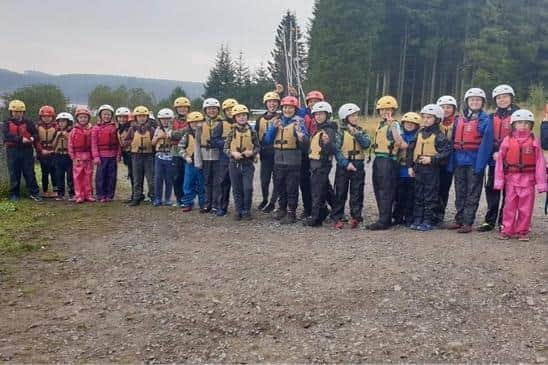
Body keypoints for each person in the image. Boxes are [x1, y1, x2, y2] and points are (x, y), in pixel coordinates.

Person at [494, 109, 547, 240]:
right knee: (509, 206)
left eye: (526, 123)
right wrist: (499, 181)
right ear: (513, 125)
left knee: (526, 207)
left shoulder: (534, 141)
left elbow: (540, 163)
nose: (523, 126)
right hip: (511, 179)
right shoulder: (507, 141)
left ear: (531, 125)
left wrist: (541, 183)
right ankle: (507, 230)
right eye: (519, 123)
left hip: (528, 180)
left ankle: (523, 231)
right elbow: (500, 162)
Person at [446, 88, 493, 233]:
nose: (475, 102)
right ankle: (459, 219)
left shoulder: (485, 120)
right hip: (459, 160)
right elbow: (453, 141)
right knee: (460, 191)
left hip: (474, 162)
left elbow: (486, 144)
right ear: (467, 102)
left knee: (472, 192)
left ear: (482, 102)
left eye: (478, 100)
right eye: (472, 100)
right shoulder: (459, 119)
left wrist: (480, 165)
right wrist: (451, 162)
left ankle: (468, 222)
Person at [478, 84, 519, 232]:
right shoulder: (490, 117)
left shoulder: (519, 115)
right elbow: (488, 138)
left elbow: (521, 137)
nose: (502, 100)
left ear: (511, 98)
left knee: (509, 191)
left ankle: (505, 221)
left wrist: (503, 152)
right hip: (495, 159)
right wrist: (493, 152)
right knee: (492, 188)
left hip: (511, 160)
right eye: (499, 98)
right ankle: (489, 221)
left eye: (505, 97)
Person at [263, 96, 309, 224]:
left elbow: (306, 141)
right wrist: (273, 128)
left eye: (290, 108)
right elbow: (267, 140)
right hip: (278, 160)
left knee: (292, 187)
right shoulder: (277, 121)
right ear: (282, 108)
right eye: (285, 107)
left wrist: (301, 137)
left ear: (295, 109)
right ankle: (282, 208)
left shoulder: (298, 122)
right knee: (279, 185)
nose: (287, 110)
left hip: (293, 161)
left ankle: (291, 212)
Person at [407, 104, 451, 231]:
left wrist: (431, 159)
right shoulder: (419, 133)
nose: (426, 120)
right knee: (418, 194)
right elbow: (411, 150)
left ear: (437, 119)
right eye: (424, 117)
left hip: (432, 170)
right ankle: (417, 219)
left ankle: (428, 220)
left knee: (430, 195)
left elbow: (446, 153)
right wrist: (410, 166)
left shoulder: (440, 136)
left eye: (429, 117)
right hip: (418, 169)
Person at [367, 96, 407, 230]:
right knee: (378, 189)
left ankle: (384, 221)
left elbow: (400, 143)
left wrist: (393, 127)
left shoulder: (394, 124)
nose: (385, 112)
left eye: (388, 109)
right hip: (378, 159)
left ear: (393, 110)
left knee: (386, 191)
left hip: (388, 161)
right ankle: (385, 217)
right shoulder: (381, 125)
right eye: (382, 109)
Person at [332, 103, 371, 229]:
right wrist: (345, 163)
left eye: (356, 115)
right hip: (344, 166)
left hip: (358, 164)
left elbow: (366, 144)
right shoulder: (340, 132)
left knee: (357, 192)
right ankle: (337, 217)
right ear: (345, 117)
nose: (355, 118)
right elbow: (337, 151)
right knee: (340, 192)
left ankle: (356, 217)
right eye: (352, 116)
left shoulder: (361, 130)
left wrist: (357, 134)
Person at [223, 104, 260, 220]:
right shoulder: (231, 132)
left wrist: (252, 153)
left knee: (247, 188)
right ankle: (238, 210)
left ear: (247, 116)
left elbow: (258, 147)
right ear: (235, 118)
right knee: (237, 188)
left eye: (244, 115)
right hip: (234, 164)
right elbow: (225, 148)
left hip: (247, 164)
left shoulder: (252, 132)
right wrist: (232, 153)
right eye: (239, 116)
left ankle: (246, 210)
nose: (242, 117)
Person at [1, 99, 42, 201]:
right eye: (15, 112)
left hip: (26, 150)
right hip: (12, 150)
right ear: (11, 112)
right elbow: (6, 135)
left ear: (23, 112)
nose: (18, 114)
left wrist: (32, 138)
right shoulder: (6, 123)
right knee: (14, 172)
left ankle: (34, 193)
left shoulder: (28, 122)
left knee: (29, 172)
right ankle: (14, 194)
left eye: (20, 112)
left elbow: (35, 133)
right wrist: (20, 139)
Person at [304, 101, 337, 227]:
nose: (318, 116)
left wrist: (328, 142)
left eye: (321, 114)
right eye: (316, 114)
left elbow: (330, 149)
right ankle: (337, 211)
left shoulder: (328, 130)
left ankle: (316, 218)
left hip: (321, 164)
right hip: (315, 164)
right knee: (326, 189)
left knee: (317, 191)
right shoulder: (319, 129)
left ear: (327, 115)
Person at [392, 112, 420, 226]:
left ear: (417, 125)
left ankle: (409, 217)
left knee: (410, 196)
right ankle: (398, 217)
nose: (409, 125)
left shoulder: (418, 137)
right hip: (400, 170)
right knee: (398, 195)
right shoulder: (400, 137)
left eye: (412, 123)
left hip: (412, 171)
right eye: (407, 123)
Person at [125, 106, 155, 207]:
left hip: (149, 157)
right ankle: (136, 197)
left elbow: (155, 142)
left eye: (144, 116)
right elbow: (126, 141)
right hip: (136, 156)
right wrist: (132, 142)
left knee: (150, 178)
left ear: (147, 117)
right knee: (137, 178)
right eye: (139, 116)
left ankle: (153, 196)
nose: (141, 118)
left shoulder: (151, 129)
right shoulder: (132, 129)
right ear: (136, 117)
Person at [255, 91, 281, 213]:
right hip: (265, 153)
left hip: (277, 152)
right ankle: (265, 199)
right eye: (270, 102)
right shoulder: (259, 119)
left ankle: (272, 202)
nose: (272, 104)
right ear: (266, 104)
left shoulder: (281, 118)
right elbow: (255, 137)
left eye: (275, 102)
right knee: (264, 179)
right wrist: (256, 151)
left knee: (277, 179)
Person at [435, 95, 459, 225]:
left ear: (454, 109)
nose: (445, 110)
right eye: (442, 107)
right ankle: (431, 214)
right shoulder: (434, 122)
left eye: (449, 107)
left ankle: (439, 214)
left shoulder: (458, 122)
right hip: (435, 160)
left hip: (450, 160)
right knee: (433, 187)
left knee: (444, 187)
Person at [213, 98, 238, 216]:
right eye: (227, 110)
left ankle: (241, 207)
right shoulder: (220, 125)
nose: (230, 112)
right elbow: (214, 141)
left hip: (239, 158)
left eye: (232, 109)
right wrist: (228, 142)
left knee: (239, 184)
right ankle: (222, 206)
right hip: (224, 158)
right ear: (224, 111)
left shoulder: (243, 123)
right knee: (223, 182)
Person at [198, 98, 223, 213]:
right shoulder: (200, 124)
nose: (212, 111)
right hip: (205, 156)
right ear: (205, 110)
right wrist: (198, 160)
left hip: (218, 157)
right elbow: (197, 143)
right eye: (209, 109)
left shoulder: (222, 123)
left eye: (214, 108)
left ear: (218, 110)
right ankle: (207, 204)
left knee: (217, 182)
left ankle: (216, 204)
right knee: (207, 181)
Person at [91, 104, 120, 202]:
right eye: (104, 114)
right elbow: (94, 144)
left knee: (112, 177)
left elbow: (119, 143)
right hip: (101, 157)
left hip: (112, 156)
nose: (106, 116)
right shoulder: (96, 128)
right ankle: (100, 195)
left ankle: (109, 195)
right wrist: (96, 157)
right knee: (100, 177)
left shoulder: (115, 128)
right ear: (100, 115)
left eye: (108, 115)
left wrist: (118, 155)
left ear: (111, 116)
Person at [179, 111, 206, 212]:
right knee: (188, 184)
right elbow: (180, 148)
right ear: (189, 123)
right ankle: (188, 203)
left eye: (198, 122)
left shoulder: (205, 134)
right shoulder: (186, 135)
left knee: (202, 184)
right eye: (193, 122)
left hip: (202, 164)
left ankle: (203, 203)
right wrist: (186, 156)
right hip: (190, 163)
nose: (195, 124)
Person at [68, 107, 95, 203]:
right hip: (78, 157)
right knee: (78, 177)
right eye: (81, 117)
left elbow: (93, 144)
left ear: (88, 118)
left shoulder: (91, 130)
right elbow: (70, 145)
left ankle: (88, 194)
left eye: (85, 117)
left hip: (88, 156)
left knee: (88, 176)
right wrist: (72, 157)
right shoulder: (74, 131)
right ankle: (79, 195)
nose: (83, 119)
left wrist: (94, 156)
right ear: (77, 119)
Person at [152, 108, 175, 206]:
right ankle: (158, 198)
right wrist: (158, 137)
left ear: (171, 119)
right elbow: (152, 143)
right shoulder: (157, 129)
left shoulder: (174, 130)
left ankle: (167, 198)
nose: (165, 121)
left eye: (168, 119)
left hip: (170, 156)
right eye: (163, 119)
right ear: (159, 120)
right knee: (158, 178)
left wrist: (166, 136)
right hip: (159, 157)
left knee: (169, 179)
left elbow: (176, 142)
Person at [171, 97, 191, 206]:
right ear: (176, 109)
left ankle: (188, 198)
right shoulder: (172, 120)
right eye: (179, 107)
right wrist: (186, 130)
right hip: (175, 151)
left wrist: (176, 134)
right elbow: (170, 134)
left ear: (188, 108)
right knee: (177, 176)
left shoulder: (193, 118)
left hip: (189, 150)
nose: (182, 109)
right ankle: (179, 199)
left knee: (188, 176)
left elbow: (174, 134)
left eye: (184, 107)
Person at [36, 105, 58, 198]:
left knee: (54, 172)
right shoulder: (37, 127)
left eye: (49, 116)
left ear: (52, 117)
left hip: (53, 153)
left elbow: (58, 140)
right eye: (44, 116)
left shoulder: (56, 127)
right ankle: (44, 190)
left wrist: (53, 150)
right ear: (40, 117)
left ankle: (55, 190)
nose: (46, 118)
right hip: (42, 154)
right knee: (44, 173)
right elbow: (36, 141)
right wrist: (41, 150)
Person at [52, 112, 74, 201]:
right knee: (59, 175)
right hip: (58, 156)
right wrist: (57, 136)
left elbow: (74, 143)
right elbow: (53, 146)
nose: (61, 123)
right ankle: (60, 194)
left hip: (68, 156)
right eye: (60, 122)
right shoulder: (56, 132)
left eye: (64, 121)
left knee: (70, 176)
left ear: (69, 122)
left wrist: (67, 135)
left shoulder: (72, 132)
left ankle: (72, 193)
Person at [116, 107, 134, 203]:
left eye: (124, 117)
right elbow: (119, 144)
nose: (122, 119)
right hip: (126, 154)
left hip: (133, 153)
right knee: (131, 174)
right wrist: (119, 155)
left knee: (134, 175)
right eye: (120, 117)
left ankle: (136, 194)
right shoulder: (119, 129)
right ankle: (135, 193)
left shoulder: (131, 128)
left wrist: (127, 143)